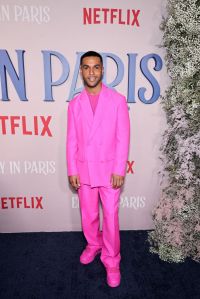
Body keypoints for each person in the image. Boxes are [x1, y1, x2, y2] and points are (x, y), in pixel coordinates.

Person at [66, 51, 130, 287]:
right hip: (84, 171)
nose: (91, 72)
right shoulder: (75, 104)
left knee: (111, 216)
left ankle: (112, 259)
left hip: (110, 171)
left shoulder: (117, 100)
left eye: (95, 67)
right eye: (86, 67)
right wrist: (72, 169)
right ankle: (93, 244)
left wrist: (119, 170)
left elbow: (123, 138)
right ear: (81, 71)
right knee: (89, 213)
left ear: (102, 70)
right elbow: (71, 139)